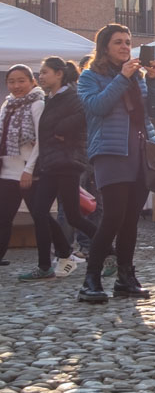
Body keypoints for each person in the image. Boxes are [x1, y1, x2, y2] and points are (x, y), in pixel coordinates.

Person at [77, 24, 155, 303]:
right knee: (113, 216)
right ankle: (91, 278)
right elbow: (97, 107)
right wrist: (122, 79)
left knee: (130, 220)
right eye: (118, 42)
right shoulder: (90, 77)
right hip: (110, 153)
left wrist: (152, 81)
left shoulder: (136, 77)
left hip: (140, 153)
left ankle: (126, 277)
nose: (126, 47)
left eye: (128, 42)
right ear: (104, 47)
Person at [22, 57, 95, 281]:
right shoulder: (51, 98)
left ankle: (109, 248)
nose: (40, 77)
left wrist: (61, 129)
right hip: (51, 164)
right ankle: (46, 264)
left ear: (59, 74)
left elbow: (84, 116)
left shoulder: (72, 96)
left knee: (73, 216)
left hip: (67, 162)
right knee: (39, 210)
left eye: (44, 72)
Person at [0, 65, 45, 271]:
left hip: (28, 171)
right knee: (3, 216)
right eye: (12, 81)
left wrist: (30, 170)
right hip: (7, 170)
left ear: (31, 81)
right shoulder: (7, 105)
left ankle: (61, 255)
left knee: (40, 215)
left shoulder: (37, 104)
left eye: (21, 81)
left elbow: (41, 141)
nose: (16, 85)